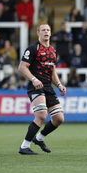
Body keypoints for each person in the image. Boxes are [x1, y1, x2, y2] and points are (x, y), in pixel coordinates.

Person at [17, 23, 67, 155]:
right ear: (38, 33)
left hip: (48, 87)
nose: (46, 32)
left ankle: (39, 138)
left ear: (50, 33)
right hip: (36, 87)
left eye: (48, 30)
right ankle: (24, 146)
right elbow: (22, 67)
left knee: (59, 119)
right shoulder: (33, 48)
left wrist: (59, 85)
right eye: (43, 30)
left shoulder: (52, 51)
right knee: (41, 116)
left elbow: (52, 71)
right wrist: (34, 79)